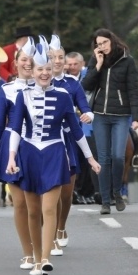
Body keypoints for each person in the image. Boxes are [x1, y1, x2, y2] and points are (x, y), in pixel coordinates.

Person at [6, 43, 100, 275]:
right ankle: (36, 257)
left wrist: (90, 158)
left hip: (55, 153)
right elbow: (15, 128)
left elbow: (76, 130)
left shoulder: (64, 96)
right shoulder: (22, 96)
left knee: (49, 209)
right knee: (33, 212)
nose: (45, 73)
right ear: (33, 71)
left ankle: (45, 258)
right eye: (40, 69)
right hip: (29, 154)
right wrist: (11, 157)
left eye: (48, 69)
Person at [0, 38, 37, 270]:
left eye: (31, 60)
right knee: (20, 203)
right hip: (12, 147)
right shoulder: (6, 90)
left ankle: (41, 242)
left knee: (38, 205)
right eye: (23, 60)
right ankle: (28, 252)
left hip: (39, 146)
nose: (27, 64)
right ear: (15, 63)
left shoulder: (45, 88)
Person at [81, 28, 138, 215]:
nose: (102, 47)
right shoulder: (96, 60)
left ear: (112, 41)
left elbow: (133, 89)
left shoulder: (127, 60)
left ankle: (117, 191)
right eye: (98, 44)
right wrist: (98, 65)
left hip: (121, 115)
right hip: (100, 115)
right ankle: (105, 200)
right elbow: (85, 85)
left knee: (118, 156)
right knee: (104, 158)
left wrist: (137, 117)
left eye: (104, 42)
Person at [48, 37, 93, 256]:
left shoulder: (72, 83)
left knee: (66, 194)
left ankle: (61, 226)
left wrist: (89, 114)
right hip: (47, 140)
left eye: (60, 57)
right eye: (52, 57)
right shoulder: (40, 81)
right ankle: (50, 234)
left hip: (68, 140)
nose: (57, 61)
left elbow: (84, 105)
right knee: (51, 192)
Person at [66, 52, 97, 205]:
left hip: (88, 123)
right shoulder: (62, 79)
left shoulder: (88, 76)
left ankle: (88, 191)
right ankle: (76, 190)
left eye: (75, 64)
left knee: (136, 136)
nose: (72, 67)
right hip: (69, 125)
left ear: (82, 64)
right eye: (70, 64)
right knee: (76, 159)